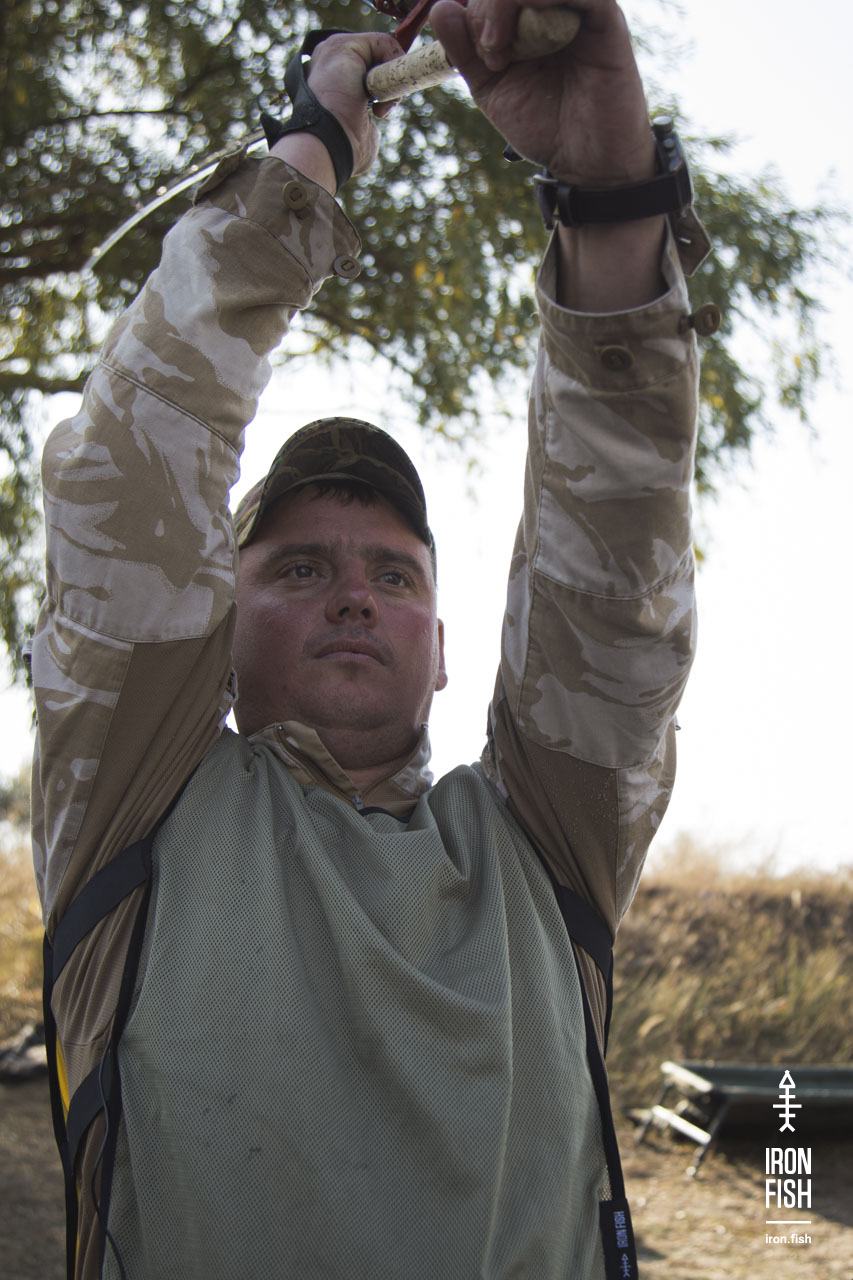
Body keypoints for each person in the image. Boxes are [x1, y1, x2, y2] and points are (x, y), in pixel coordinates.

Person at [31, 1, 711, 1276]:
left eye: (392, 574)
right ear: (214, 625)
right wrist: (310, 154)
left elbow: (615, 577)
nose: (352, 593)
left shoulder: (543, 842)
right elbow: (125, 479)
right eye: (298, 566)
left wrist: (613, 198)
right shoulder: (134, 811)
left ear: (443, 647)